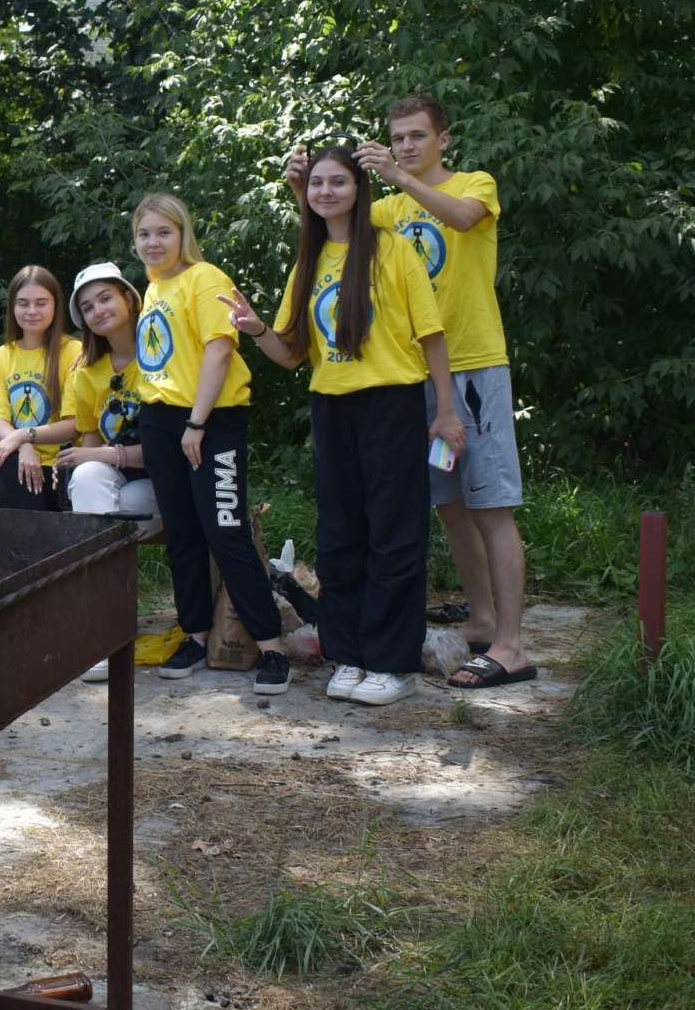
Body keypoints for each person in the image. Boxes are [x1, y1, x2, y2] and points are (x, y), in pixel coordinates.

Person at [223, 143, 465, 706]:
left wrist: (447, 410)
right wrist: (257, 328)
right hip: (331, 408)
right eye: (317, 184)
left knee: (394, 534)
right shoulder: (307, 263)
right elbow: (290, 354)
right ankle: (350, 653)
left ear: (359, 190)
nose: (326, 192)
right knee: (340, 535)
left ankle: (390, 662)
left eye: (338, 182)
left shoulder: (393, 251)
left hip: (392, 404)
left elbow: (432, 336)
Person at [355, 96, 530, 689]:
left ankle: (511, 647)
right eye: (397, 138)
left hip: (474, 371)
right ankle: (482, 621)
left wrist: (399, 179)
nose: (405, 146)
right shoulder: (388, 208)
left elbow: (460, 218)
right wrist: (308, 183)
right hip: (422, 379)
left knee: (492, 505)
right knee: (451, 502)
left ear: (443, 139)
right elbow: (340, 224)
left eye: (416, 136)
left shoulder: (474, 183)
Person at [130, 194, 290, 694]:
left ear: (184, 234)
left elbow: (219, 354)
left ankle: (271, 647)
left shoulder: (206, 278)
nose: (153, 243)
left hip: (210, 420)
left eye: (163, 232)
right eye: (144, 234)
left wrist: (196, 425)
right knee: (182, 535)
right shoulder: (154, 288)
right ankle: (196, 635)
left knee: (226, 531)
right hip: (158, 421)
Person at [56, 263, 159, 683]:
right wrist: (94, 459)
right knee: (87, 480)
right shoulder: (86, 373)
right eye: (87, 306)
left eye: (105, 298)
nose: (98, 310)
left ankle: (104, 624)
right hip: (124, 493)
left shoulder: (160, 354)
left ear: (129, 299)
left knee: (118, 500)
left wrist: (106, 455)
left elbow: (164, 451)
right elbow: (89, 445)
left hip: (164, 485)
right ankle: (103, 631)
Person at [0, 265, 81, 511]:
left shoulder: (74, 352)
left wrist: (25, 435)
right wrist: (22, 444)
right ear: (12, 308)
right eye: (23, 303)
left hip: (57, 465)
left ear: (56, 305)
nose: (32, 311)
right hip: (11, 459)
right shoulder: (0, 357)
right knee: (10, 462)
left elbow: (73, 425)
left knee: (5, 502)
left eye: (41, 303)